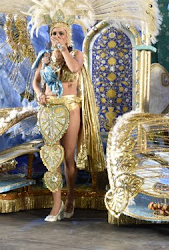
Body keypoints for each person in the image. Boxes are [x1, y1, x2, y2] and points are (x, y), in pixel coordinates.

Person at [32, 15, 104, 221]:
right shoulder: (44, 57)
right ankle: (56, 204)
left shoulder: (77, 54)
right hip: (49, 110)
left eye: (61, 33)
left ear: (68, 36)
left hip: (71, 107)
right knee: (51, 157)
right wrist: (39, 94)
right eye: (53, 33)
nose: (56, 36)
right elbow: (36, 82)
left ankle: (71, 197)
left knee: (67, 157)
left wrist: (63, 50)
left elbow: (74, 69)